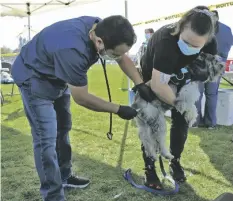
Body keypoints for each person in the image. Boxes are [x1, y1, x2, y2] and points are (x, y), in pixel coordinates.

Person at [11, 15, 155, 201]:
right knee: (45, 139)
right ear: (99, 41)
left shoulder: (102, 27)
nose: (117, 57)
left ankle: (64, 175)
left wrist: (139, 83)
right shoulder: (72, 49)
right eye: (113, 53)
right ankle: (53, 196)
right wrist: (118, 109)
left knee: (63, 128)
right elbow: (82, 97)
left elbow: (121, 57)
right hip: (34, 78)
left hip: (57, 75)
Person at [139, 6, 217, 189]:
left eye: (196, 45)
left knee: (182, 122)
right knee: (151, 122)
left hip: (182, 77)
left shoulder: (211, 43)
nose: (189, 48)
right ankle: (150, 168)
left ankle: (175, 160)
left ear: (207, 41)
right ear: (180, 28)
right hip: (154, 77)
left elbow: (209, 70)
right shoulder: (166, 40)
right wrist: (179, 103)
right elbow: (158, 85)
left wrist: (198, 73)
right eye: (186, 41)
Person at [194, 10, 233, 129]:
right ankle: (210, 123)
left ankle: (196, 121)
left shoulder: (205, 28)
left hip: (202, 65)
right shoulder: (227, 29)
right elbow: (228, 45)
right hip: (218, 66)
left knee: (198, 94)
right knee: (212, 95)